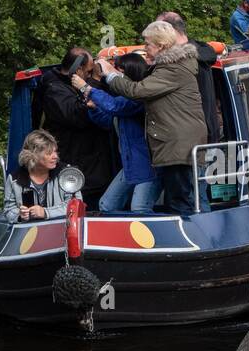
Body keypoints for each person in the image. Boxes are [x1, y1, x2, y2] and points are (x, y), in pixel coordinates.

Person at [83, 21, 207, 218]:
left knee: (181, 201)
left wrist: (110, 74)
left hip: (178, 145)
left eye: (147, 43)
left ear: (161, 46)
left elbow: (137, 91)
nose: (144, 48)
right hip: (176, 144)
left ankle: (195, 241)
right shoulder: (171, 67)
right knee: (183, 198)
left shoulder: (172, 69)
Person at [77, 53, 161, 216]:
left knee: (140, 208)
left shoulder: (140, 95)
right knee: (107, 205)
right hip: (131, 163)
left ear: (128, 72)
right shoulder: (124, 97)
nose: (110, 74)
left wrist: (86, 88)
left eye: (116, 69)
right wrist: (93, 109)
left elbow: (116, 107)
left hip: (150, 163)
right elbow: (108, 120)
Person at [36, 46, 115, 209]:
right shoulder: (54, 89)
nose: (89, 75)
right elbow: (76, 116)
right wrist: (94, 82)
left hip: (93, 161)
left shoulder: (71, 85)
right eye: (88, 71)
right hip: (78, 165)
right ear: (78, 70)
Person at [156, 10, 222, 141]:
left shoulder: (179, 61)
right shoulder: (200, 50)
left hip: (193, 138)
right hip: (208, 132)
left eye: (157, 31)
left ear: (171, 31)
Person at [3, 130, 68, 223]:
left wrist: (45, 212)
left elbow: (75, 206)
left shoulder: (67, 174)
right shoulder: (14, 179)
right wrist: (20, 215)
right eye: (49, 153)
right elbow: (8, 210)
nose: (55, 156)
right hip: (29, 235)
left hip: (62, 232)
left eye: (55, 152)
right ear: (33, 155)